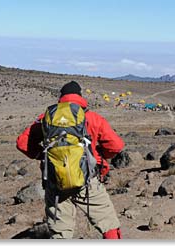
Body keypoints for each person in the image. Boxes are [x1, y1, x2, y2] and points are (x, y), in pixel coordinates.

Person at [16, 81, 124, 239]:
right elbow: (116, 145)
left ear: (61, 97)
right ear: (80, 96)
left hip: (56, 182)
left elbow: (22, 143)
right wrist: (98, 156)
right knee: (108, 224)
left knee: (60, 232)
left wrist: (43, 155)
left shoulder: (47, 117)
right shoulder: (92, 117)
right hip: (88, 181)